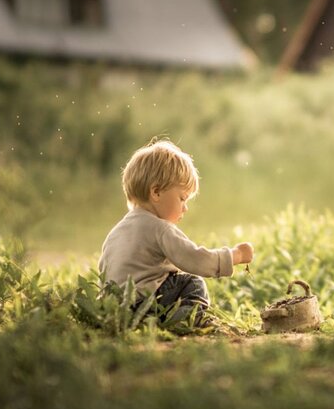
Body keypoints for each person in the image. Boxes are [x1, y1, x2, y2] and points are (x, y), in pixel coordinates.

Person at [99, 137, 253, 328]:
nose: (185, 208)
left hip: (118, 310)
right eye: (182, 198)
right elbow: (195, 260)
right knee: (193, 283)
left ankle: (148, 323)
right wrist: (235, 256)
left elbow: (104, 273)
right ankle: (185, 321)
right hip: (146, 304)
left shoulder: (115, 233)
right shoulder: (160, 228)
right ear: (156, 192)